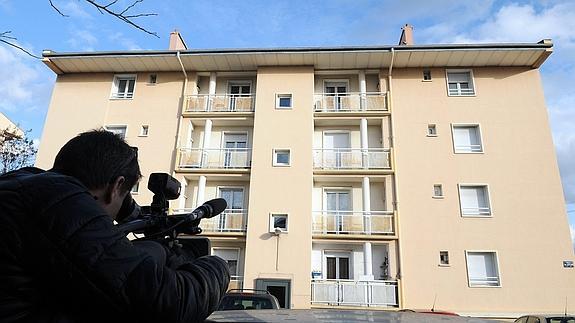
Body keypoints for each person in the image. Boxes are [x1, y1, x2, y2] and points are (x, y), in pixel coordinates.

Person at [0, 130, 230, 322]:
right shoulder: (59, 202)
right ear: (117, 185)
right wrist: (218, 266)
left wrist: (136, 214)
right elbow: (168, 304)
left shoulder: (23, 183)